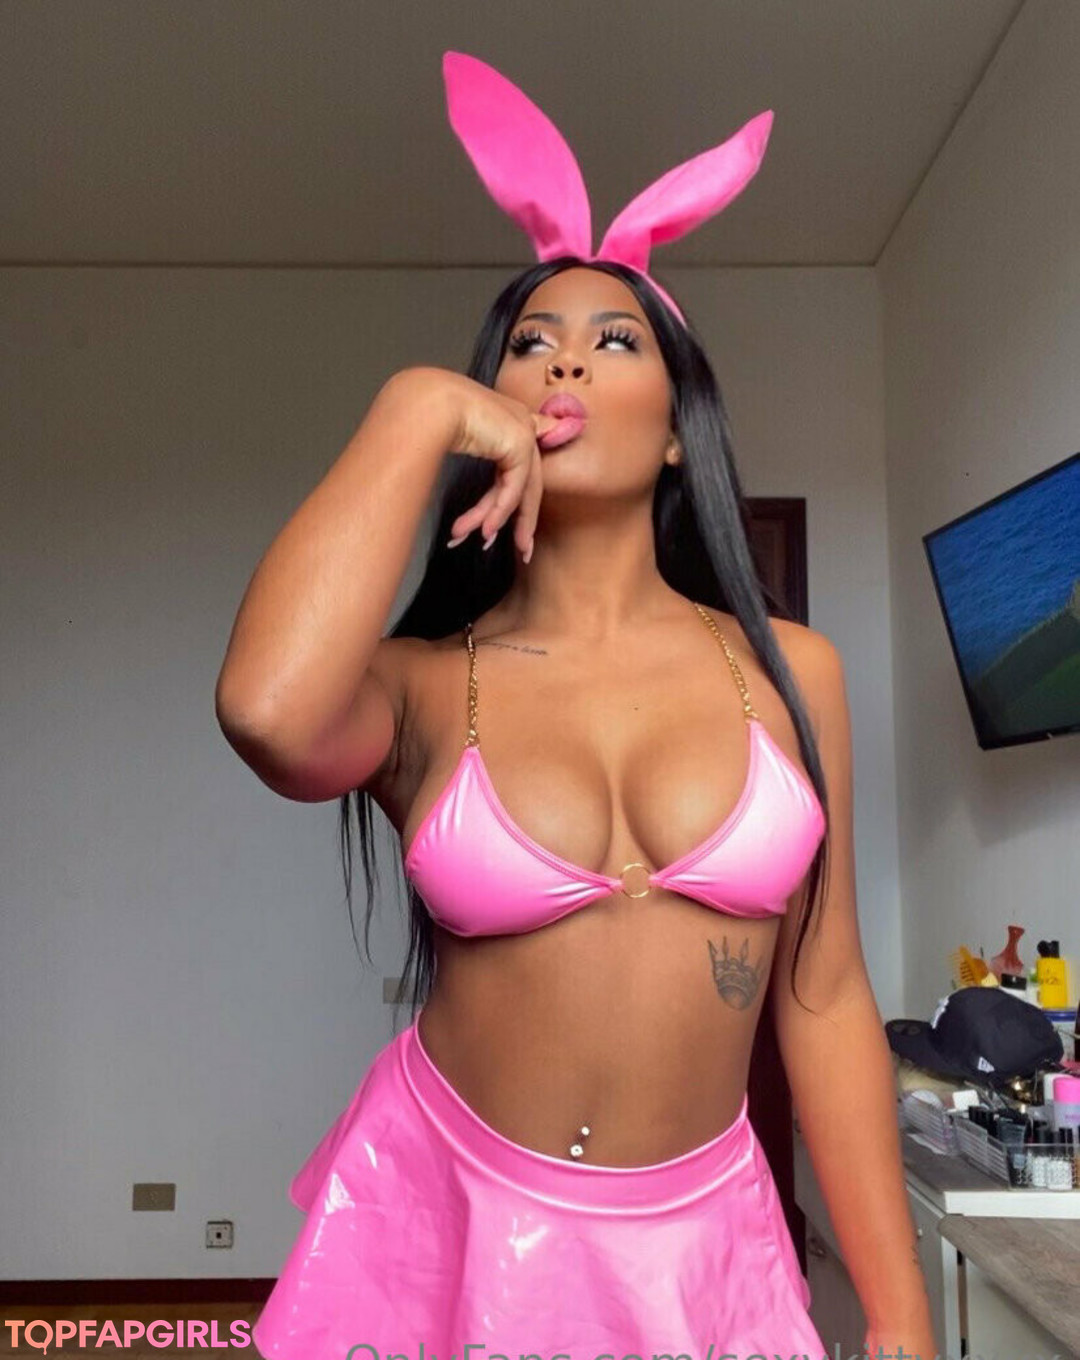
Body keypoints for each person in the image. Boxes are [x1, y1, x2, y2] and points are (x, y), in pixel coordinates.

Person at [215, 53, 937, 1360]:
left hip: (699, 1257)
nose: (565, 365)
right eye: (529, 345)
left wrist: (899, 1316)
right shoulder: (424, 683)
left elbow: (824, 995)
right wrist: (414, 408)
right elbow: (266, 713)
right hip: (445, 1223)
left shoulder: (795, 672)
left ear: (677, 429)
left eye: (616, 341)